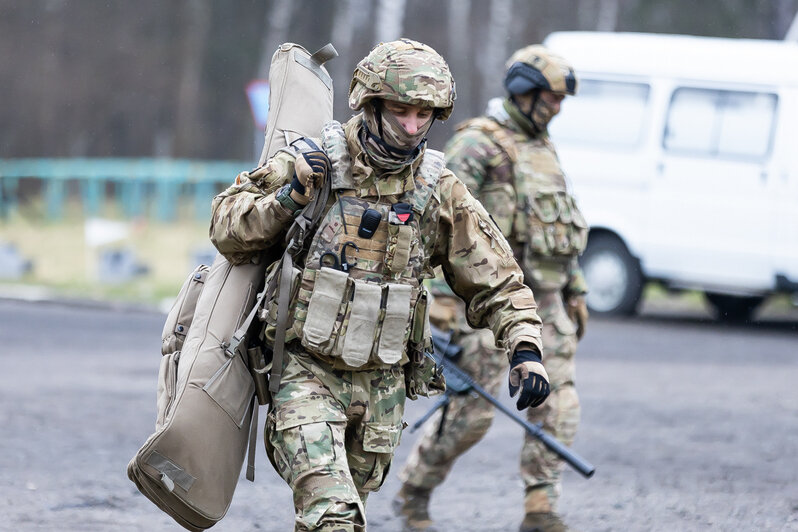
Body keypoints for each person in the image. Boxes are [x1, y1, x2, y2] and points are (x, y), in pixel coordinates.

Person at [209, 38, 551, 532]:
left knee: (342, 514)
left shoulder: (436, 189)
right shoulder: (315, 162)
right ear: (369, 104)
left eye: (424, 115)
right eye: (399, 111)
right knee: (334, 516)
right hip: (305, 374)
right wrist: (290, 197)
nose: (412, 127)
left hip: (382, 392)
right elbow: (226, 227)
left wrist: (525, 345)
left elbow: (496, 276)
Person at [393, 44, 590, 532]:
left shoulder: (544, 149)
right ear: (523, 92)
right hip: (482, 305)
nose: (557, 108)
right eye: (550, 97)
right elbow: (440, 226)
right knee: (470, 419)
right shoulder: (477, 145)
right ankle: (415, 491)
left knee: (558, 405)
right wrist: (438, 303)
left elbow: (564, 230)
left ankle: (540, 507)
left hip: (545, 305)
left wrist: (576, 290)